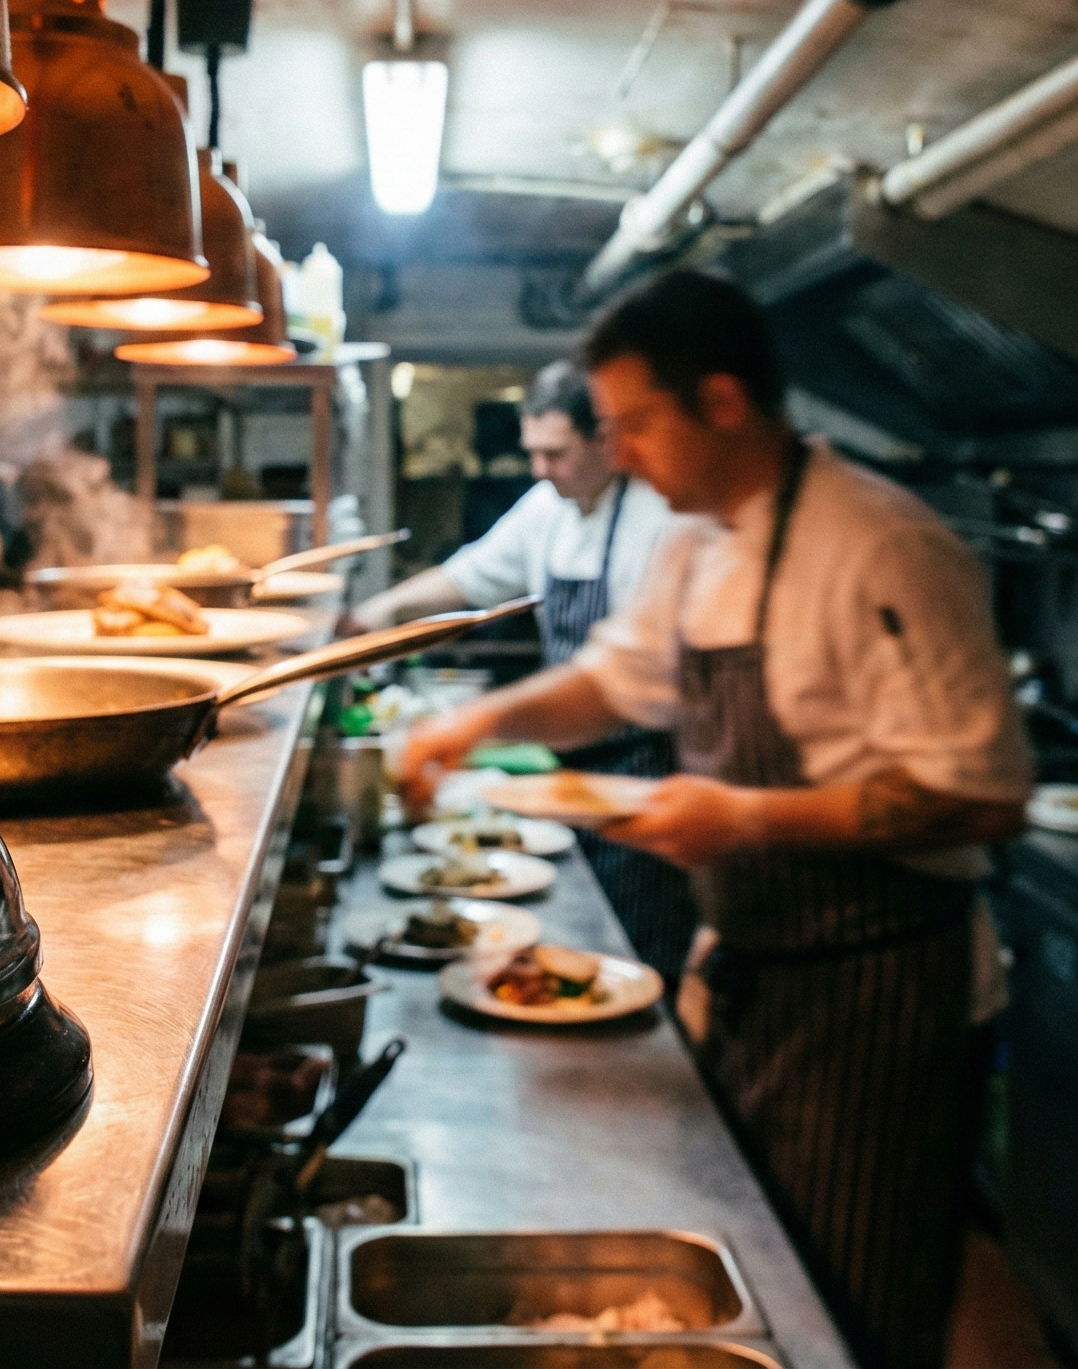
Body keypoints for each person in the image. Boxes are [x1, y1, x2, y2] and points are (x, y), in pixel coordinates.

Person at [397, 269, 1029, 1369]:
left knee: (853, 1303)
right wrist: (467, 728)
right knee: (764, 1286)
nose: (624, 455)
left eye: (636, 424)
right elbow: (612, 682)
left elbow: (983, 792)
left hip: (881, 996)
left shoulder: (882, 545)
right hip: (751, 968)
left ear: (724, 404)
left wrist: (742, 816)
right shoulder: (698, 541)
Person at [348, 359, 697, 978]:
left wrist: (477, 723)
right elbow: (471, 575)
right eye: (533, 452)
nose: (540, 470)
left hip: (642, 765)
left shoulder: (658, 519)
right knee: (577, 946)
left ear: (605, 442)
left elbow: (623, 676)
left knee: (637, 956)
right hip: (568, 766)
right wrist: (375, 615)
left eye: (555, 454)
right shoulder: (548, 506)